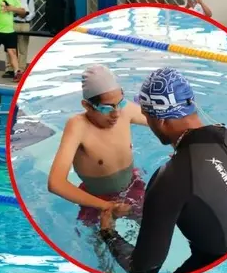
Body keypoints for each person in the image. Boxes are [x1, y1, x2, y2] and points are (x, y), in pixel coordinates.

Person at [98, 67, 227, 273]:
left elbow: (143, 269)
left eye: (146, 116)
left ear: (159, 120)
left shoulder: (170, 177)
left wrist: (108, 234)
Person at [47, 65, 150, 228]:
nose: (116, 114)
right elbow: (56, 183)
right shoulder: (78, 126)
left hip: (132, 186)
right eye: (106, 108)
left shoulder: (125, 110)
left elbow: (160, 121)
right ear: (87, 106)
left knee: (152, 227)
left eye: (119, 104)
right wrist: (107, 206)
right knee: (104, 247)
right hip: (97, 200)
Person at [6, 0, 34, 79]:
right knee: (10, 47)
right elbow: (6, 9)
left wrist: (26, 16)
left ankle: (21, 69)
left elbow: (32, 12)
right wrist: (16, 14)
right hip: (12, 23)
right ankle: (9, 69)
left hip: (24, 23)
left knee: (23, 48)